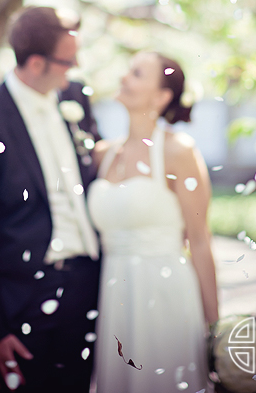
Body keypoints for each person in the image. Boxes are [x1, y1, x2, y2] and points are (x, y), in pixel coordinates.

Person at [0, 6, 102, 392]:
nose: (76, 66)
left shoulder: (75, 98)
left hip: (91, 285)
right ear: (36, 63)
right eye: (68, 60)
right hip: (25, 298)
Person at [87, 51, 218, 392]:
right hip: (113, 296)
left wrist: (215, 328)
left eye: (137, 74)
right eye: (127, 71)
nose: (124, 79)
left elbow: (201, 241)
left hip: (164, 294)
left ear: (162, 96)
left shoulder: (180, 152)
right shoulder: (103, 154)